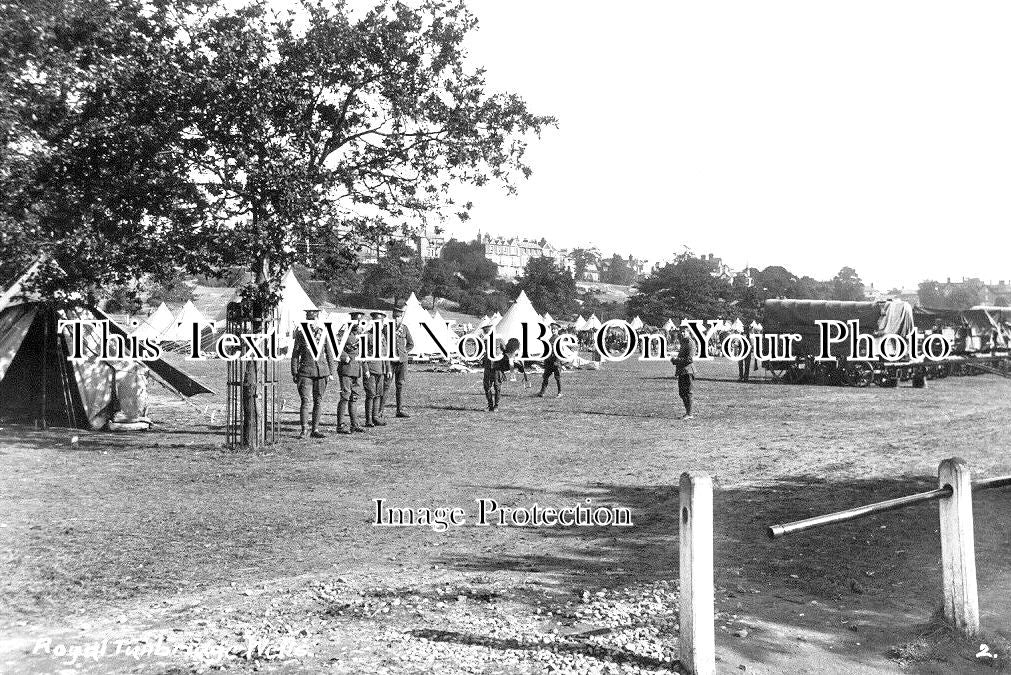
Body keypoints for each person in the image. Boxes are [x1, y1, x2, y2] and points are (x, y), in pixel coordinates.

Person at [290, 308, 335, 439]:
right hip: (305, 372)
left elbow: (329, 353)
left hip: (321, 372)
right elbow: (295, 355)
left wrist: (331, 371)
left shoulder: (323, 333)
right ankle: (304, 429)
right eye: (309, 319)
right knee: (305, 401)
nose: (312, 322)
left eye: (314, 319)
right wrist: (294, 372)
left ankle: (315, 429)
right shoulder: (301, 334)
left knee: (318, 401)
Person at [381, 304, 414, 418]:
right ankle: (380, 411)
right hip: (390, 361)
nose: (396, 319)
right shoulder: (386, 328)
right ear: (392, 317)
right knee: (386, 385)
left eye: (399, 317)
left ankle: (399, 410)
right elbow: (382, 343)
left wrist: (404, 352)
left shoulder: (404, 328)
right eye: (395, 317)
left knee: (400, 385)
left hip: (402, 361)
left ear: (401, 317)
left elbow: (411, 343)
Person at [336, 314, 365, 434]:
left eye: (360, 322)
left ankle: (354, 424)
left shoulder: (359, 335)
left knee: (354, 397)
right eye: (357, 322)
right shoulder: (344, 333)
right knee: (345, 396)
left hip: (356, 369)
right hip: (346, 368)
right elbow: (335, 345)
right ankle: (340, 425)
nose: (358, 324)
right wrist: (344, 356)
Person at [362, 310, 389, 427]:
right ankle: (368, 420)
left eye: (381, 322)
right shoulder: (367, 336)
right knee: (371, 394)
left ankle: (375, 417)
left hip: (381, 369)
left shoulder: (383, 337)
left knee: (378, 394)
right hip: (371, 369)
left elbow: (386, 353)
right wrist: (366, 369)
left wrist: (388, 369)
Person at [671, 324, 696, 419]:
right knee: (682, 393)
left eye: (684, 332)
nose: (681, 333)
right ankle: (688, 413)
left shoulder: (690, 342)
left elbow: (689, 359)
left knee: (688, 392)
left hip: (688, 371)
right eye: (680, 331)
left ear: (688, 332)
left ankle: (689, 414)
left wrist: (676, 360)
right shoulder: (684, 342)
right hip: (682, 371)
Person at [536, 322, 564, 398]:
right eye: (552, 329)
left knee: (557, 378)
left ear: (557, 330)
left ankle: (560, 392)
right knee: (545, 377)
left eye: (554, 329)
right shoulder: (551, 338)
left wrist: (557, 361)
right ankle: (542, 392)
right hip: (549, 361)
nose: (553, 331)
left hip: (555, 361)